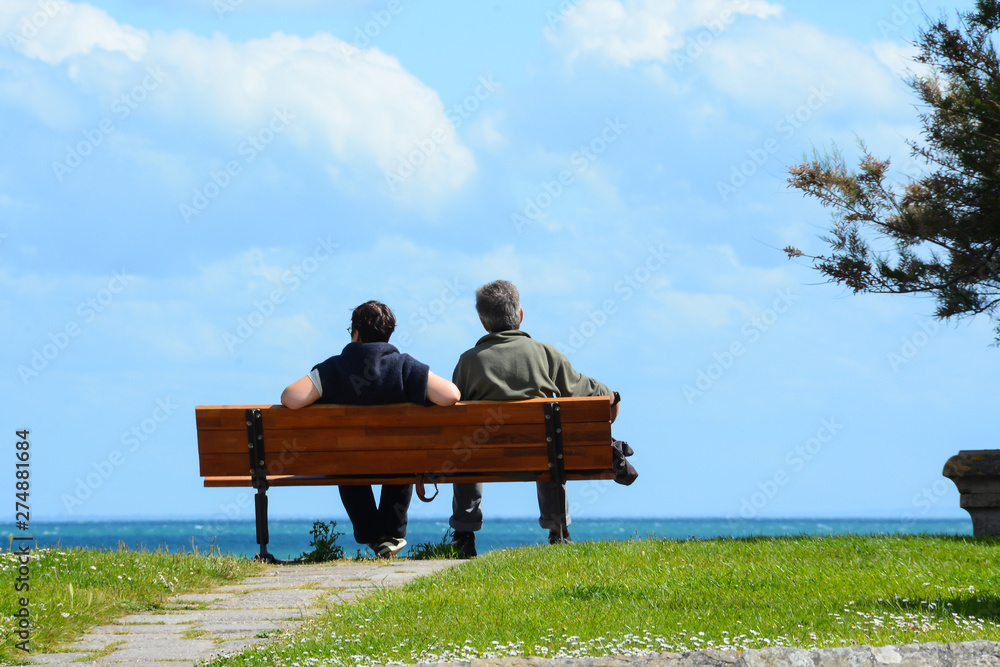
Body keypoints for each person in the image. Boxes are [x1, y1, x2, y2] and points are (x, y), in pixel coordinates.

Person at [449, 280, 620, 558]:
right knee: (551, 445)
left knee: (467, 446)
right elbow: (583, 389)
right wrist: (612, 395)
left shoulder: (469, 362)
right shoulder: (545, 354)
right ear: (520, 315)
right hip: (541, 458)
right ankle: (558, 531)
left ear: (483, 323)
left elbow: (454, 412)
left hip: (485, 460)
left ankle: (464, 534)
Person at [281, 300, 461, 558]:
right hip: (397, 461)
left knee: (347, 459)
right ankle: (392, 532)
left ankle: (373, 535)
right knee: (403, 454)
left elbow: (290, 398)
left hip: (351, 465)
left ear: (355, 333)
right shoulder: (403, 366)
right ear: (388, 334)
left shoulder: (334, 368)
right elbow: (451, 395)